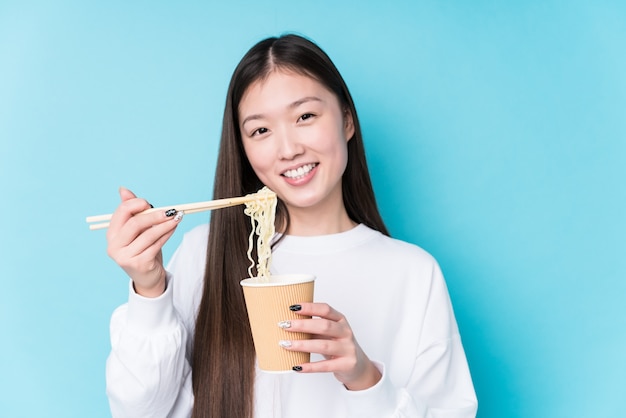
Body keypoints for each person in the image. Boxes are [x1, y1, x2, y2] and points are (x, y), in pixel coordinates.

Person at [104, 33, 478, 418]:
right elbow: (139, 412)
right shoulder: (206, 252)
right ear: (244, 149)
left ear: (347, 120)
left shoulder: (413, 272)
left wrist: (364, 377)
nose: (288, 149)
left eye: (305, 117)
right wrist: (149, 289)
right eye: (260, 130)